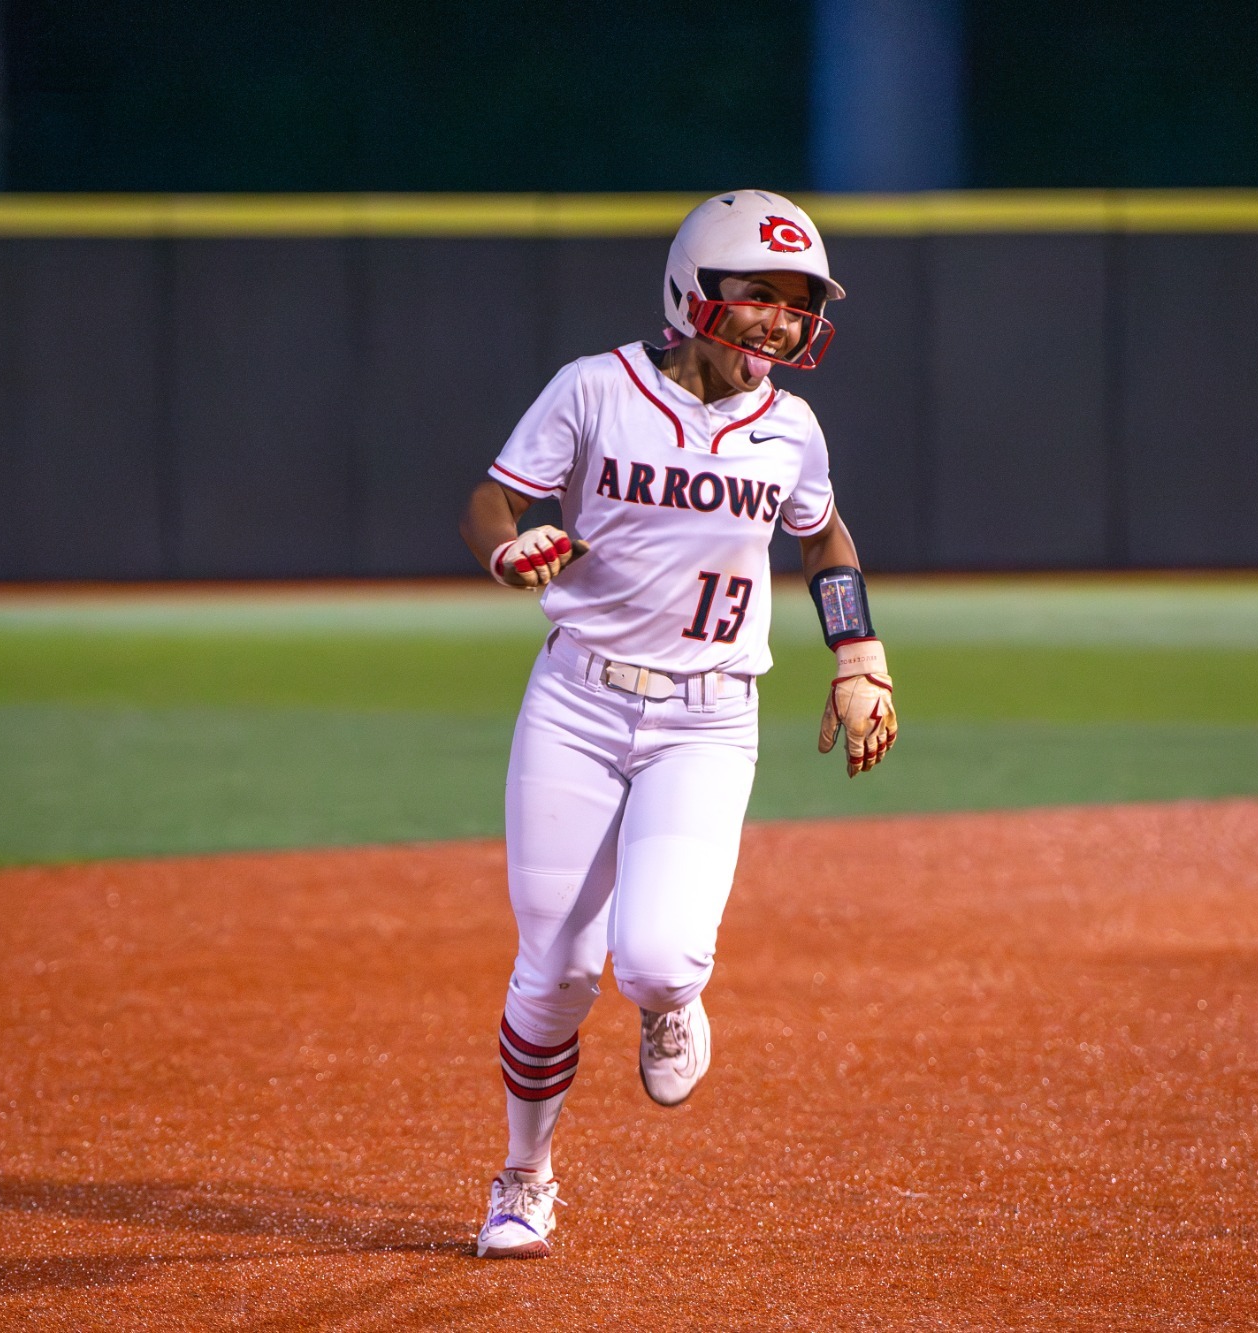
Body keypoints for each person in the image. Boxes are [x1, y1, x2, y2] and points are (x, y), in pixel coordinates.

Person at [457, 189, 898, 1259]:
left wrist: (858, 654)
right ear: (693, 290)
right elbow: (491, 501)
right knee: (553, 974)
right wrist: (505, 550)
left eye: (799, 304)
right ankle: (524, 1177)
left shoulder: (788, 424)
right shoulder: (594, 389)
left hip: (708, 719)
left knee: (652, 962)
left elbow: (823, 535)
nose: (782, 321)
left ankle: (670, 998)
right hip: (576, 698)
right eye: (763, 296)